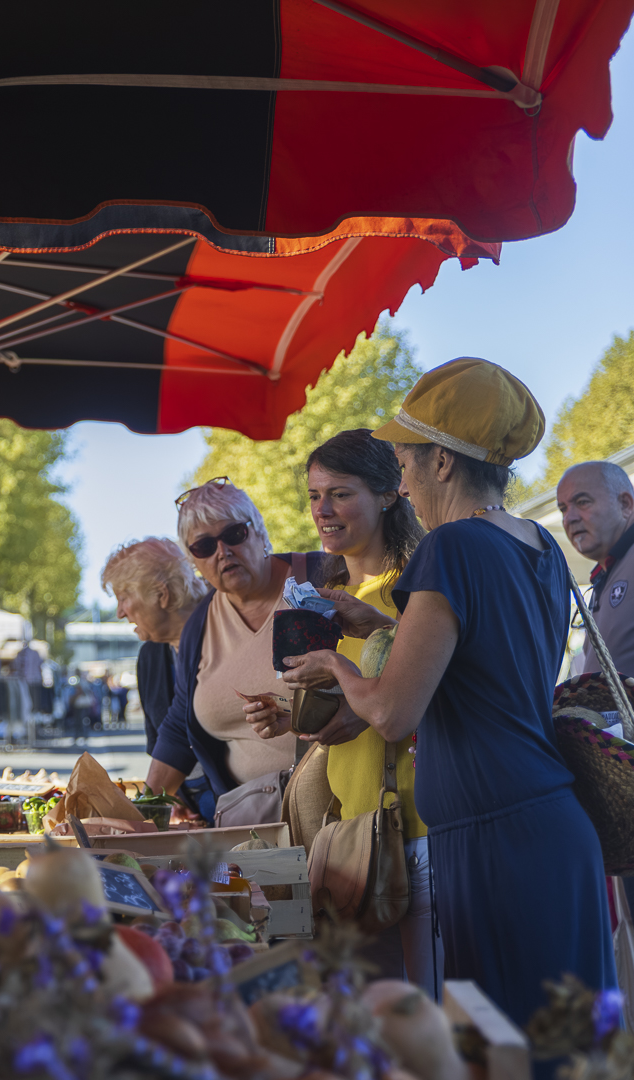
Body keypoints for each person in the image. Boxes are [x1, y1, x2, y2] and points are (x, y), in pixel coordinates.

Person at [282, 358, 615, 1033]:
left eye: (404, 457)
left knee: (502, 1049)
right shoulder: (538, 545)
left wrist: (334, 666)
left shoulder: (450, 549)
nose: (399, 476)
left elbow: (391, 710)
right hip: (548, 822)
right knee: (571, 1050)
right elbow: (483, 659)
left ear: (442, 463)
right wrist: (381, 626)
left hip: (495, 839)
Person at [249, 429, 437, 995]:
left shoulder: (416, 590)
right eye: (313, 495)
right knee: (368, 1011)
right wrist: (292, 717)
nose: (322, 511)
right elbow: (347, 704)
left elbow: (433, 690)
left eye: (339, 493)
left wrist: (364, 670)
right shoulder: (323, 596)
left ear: (388, 494)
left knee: (416, 1010)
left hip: (410, 829)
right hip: (351, 830)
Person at [148, 480, 325, 822]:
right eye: (203, 546)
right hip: (248, 820)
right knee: (228, 879)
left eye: (234, 534)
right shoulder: (200, 624)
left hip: (336, 811)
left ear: (259, 532)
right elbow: (179, 724)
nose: (222, 552)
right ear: (193, 561)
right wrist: (143, 811)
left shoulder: (321, 576)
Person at [99, 537, 208, 792]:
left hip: (245, 803)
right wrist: (175, 799)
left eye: (123, 598)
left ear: (161, 594)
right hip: (185, 798)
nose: (120, 613)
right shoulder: (150, 655)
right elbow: (159, 737)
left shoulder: (224, 630)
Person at [557, 460, 634, 673]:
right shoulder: (606, 571)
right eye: (563, 509)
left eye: (582, 502)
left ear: (625, 504)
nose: (569, 518)